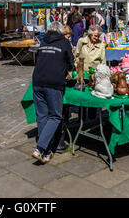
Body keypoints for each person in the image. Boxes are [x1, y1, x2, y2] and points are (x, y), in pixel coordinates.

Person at [31, 21, 74, 164]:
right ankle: (40, 147)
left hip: (37, 80)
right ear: (61, 31)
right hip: (54, 82)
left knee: (42, 116)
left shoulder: (44, 40)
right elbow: (70, 62)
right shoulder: (64, 42)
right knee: (55, 116)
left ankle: (46, 151)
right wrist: (68, 69)